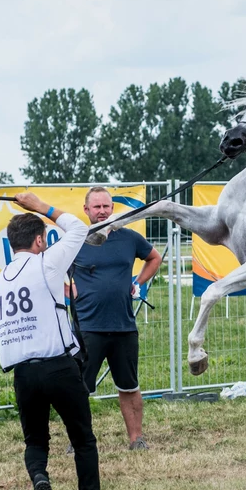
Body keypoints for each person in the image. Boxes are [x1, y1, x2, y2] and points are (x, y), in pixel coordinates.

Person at [0, 192, 104, 490]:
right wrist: (41, 206)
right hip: (58, 365)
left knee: (36, 441)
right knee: (83, 439)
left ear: (12, 244)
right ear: (39, 240)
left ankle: (40, 477)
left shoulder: (3, 277)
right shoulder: (48, 261)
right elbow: (77, 229)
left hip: (23, 373)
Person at [72, 187, 163, 450]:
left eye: (106, 207)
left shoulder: (129, 238)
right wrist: (70, 291)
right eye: (96, 207)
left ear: (113, 209)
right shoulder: (76, 240)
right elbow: (53, 271)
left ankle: (136, 439)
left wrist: (138, 282)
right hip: (87, 328)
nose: (102, 212)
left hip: (123, 326)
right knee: (79, 389)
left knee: (129, 386)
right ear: (86, 210)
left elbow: (154, 258)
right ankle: (78, 441)